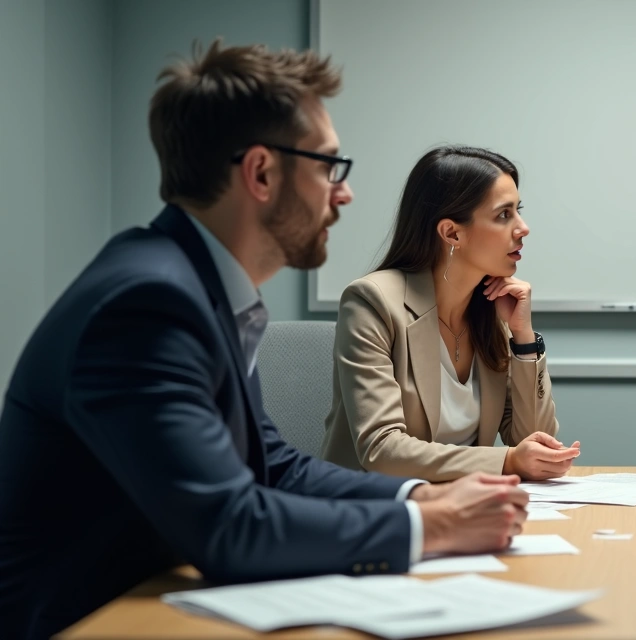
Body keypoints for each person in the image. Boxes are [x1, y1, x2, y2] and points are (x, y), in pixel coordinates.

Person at [0, 41, 528, 640]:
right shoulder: (147, 304)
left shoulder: (199, 288)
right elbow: (228, 527)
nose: (344, 192)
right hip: (91, 620)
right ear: (260, 172)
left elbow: (273, 467)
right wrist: (431, 529)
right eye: (330, 167)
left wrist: (417, 499)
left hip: (158, 599)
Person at [322, 146, 576, 482]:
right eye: (504, 215)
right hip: (375, 510)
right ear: (452, 233)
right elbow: (381, 449)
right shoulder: (372, 302)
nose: (523, 227)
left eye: (519, 211)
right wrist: (507, 462)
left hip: (467, 508)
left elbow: (536, 442)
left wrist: (524, 340)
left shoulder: (490, 309)